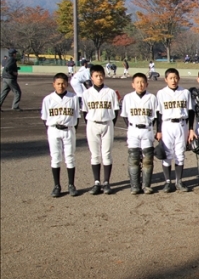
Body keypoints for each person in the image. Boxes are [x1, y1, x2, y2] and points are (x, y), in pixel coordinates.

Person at [81, 64, 119, 194]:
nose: (99, 78)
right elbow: (84, 112)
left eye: (101, 75)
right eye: (96, 76)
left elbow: (115, 110)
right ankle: (96, 182)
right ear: (91, 77)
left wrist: (111, 123)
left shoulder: (111, 92)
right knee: (95, 154)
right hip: (92, 124)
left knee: (106, 154)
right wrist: (89, 123)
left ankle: (106, 182)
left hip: (107, 123)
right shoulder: (86, 93)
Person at [41, 73, 80, 197]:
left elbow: (77, 116)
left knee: (70, 157)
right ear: (54, 84)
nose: (60, 86)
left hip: (69, 129)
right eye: (58, 84)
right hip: (54, 129)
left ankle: (71, 185)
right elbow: (44, 118)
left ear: (67, 84)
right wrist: (51, 129)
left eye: (63, 83)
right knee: (55, 157)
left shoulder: (73, 97)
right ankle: (56, 185)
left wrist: (73, 129)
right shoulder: (48, 99)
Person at [156, 68, 194, 192]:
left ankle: (179, 181)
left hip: (182, 124)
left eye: (176, 78)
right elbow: (159, 113)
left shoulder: (185, 92)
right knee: (167, 153)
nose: (174, 80)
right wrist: (158, 130)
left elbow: (191, 111)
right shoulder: (161, 93)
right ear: (166, 79)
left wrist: (191, 129)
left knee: (180, 153)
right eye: (171, 78)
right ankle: (168, 182)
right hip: (167, 125)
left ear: (179, 78)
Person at [120, 73, 159, 194]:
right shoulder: (128, 98)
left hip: (147, 129)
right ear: (133, 84)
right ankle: (135, 186)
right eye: (137, 82)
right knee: (133, 158)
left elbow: (155, 116)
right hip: (133, 129)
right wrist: (131, 127)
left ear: (147, 84)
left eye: (142, 82)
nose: (140, 85)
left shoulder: (152, 97)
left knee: (148, 159)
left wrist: (152, 128)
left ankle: (146, 185)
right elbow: (125, 116)